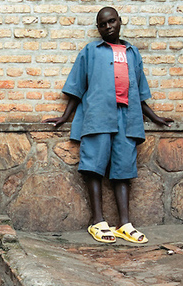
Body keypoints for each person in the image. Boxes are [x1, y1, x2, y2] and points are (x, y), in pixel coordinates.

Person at [44, 6, 173, 244]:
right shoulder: (91, 51)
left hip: (127, 117)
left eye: (111, 21)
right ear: (98, 28)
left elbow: (139, 92)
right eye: (102, 24)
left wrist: (155, 117)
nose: (108, 27)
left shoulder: (132, 53)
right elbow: (77, 87)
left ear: (120, 21)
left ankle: (124, 223)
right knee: (94, 165)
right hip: (98, 115)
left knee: (123, 168)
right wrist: (65, 117)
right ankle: (98, 221)